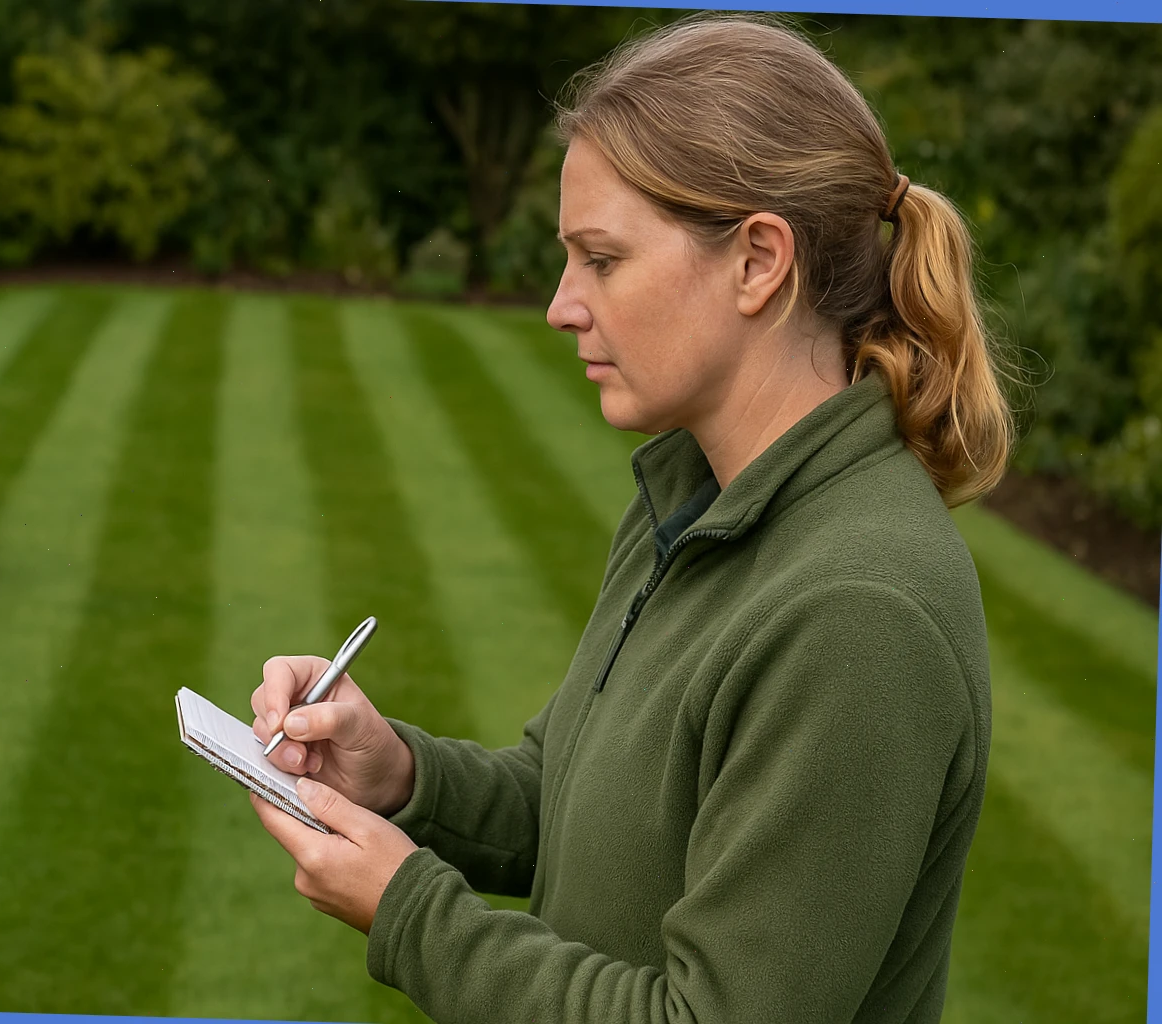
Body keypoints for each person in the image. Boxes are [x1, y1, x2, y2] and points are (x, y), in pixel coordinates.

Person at [246, 12, 1013, 1024]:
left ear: (757, 262)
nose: (563, 304)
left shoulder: (857, 612)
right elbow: (574, 806)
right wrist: (399, 773)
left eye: (601, 260)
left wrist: (410, 910)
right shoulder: (699, 498)